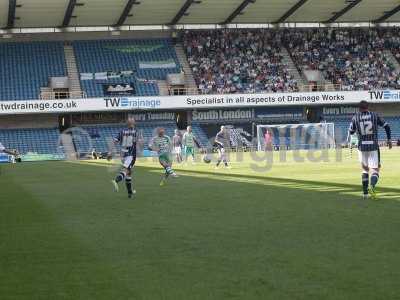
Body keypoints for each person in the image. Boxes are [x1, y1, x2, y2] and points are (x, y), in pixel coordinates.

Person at [348, 101, 392, 199]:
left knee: (365, 170)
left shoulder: (355, 117)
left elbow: (351, 131)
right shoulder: (374, 115)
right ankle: (371, 186)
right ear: (368, 107)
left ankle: (365, 194)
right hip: (373, 146)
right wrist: (389, 140)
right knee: (375, 170)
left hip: (362, 147)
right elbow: (387, 126)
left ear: (359, 108)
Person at [110, 117, 137, 199]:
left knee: (129, 172)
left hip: (123, 156)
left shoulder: (121, 132)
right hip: (131, 155)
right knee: (126, 170)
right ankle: (116, 181)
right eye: (133, 121)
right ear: (132, 123)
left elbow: (114, 141)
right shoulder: (135, 132)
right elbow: (139, 142)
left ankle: (130, 192)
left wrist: (110, 152)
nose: (134, 122)